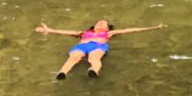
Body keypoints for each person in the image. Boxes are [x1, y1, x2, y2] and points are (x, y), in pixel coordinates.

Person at [35, 18, 167, 79]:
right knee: (74, 58)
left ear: (108, 28)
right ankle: (62, 73)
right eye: (99, 22)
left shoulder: (108, 34)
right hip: (82, 45)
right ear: (94, 26)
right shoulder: (83, 33)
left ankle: (93, 70)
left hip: (98, 46)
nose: (101, 23)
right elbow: (63, 31)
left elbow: (131, 30)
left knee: (94, 57)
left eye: (104, 23)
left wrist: (154, 27)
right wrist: (49, 30)